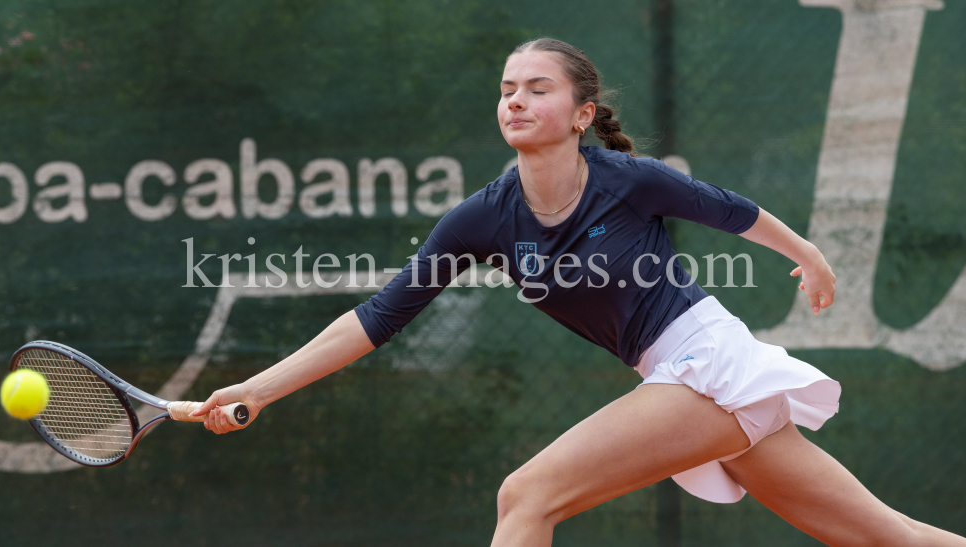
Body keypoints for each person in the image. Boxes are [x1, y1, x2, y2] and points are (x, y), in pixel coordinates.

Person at [193, 38, 966, 546]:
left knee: (526, 494)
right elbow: (376, 317)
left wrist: (809, 255)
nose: (516, 100)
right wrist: (259, 389)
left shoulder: (626, 178)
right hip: (678, 374)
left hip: (709, 361)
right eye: (507, 89)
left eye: (538, 88)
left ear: (582, 114)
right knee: (884, 536)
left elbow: (732, 211)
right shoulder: (480, 218)